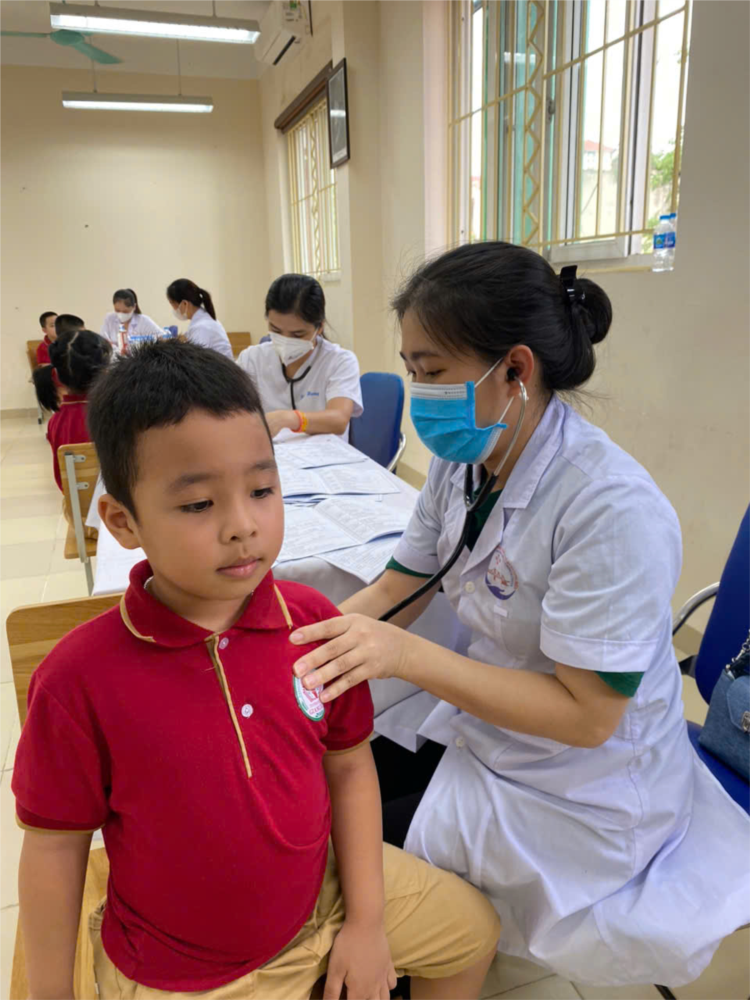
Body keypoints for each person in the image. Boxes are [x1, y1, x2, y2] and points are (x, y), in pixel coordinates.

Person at [284, 242, 750, 989]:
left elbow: (587, 718)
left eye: (432, 371)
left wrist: (403, 657)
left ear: (515, 370)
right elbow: (403, 583)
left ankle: (433, 952)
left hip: (583, 787)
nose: (420, 392)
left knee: (357, 869)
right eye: (410, 370)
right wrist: (305, 649)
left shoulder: (610, 508)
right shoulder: (467, 460)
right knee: (322, 798)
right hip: (499, 728)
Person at [13, 339, 500, 1000]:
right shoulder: (78, 680)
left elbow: (350, 767)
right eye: (197, 505)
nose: (243, 525)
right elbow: (54, 849)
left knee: (473, 932)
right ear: (123, 521)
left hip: (323, 894)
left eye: (262, 489)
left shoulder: (311, 620)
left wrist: (366, 923)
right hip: (187, 969)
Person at [237, 274, 363, 440]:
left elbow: (339, 420)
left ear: (319, 327)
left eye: (297, 335)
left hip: (323, 454)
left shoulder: (340, 361)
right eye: (276, 330)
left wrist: (291, 419)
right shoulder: (252, 359)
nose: (286, 341)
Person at [40, 328, 112, 491]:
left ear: (56, 376)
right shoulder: (118, 414)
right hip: (119, 503)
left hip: (77, 502)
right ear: (106, 372)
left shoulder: (55, 422)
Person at [166, 278, 233, 359]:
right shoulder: (202, 320)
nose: (173, 309)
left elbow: (195, 361)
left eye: (172, 304)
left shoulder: (202, 327)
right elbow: (188, 338)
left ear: (184, 304)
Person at [100, 288, 164, 353]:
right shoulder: (109, 318)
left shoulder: (143, 321)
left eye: (125, 312)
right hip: (113, 357)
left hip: (138, 357)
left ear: (134, 307)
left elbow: (163, 337)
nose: (121, 314)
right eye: (117, 310)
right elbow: (102, 340)